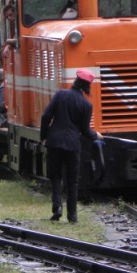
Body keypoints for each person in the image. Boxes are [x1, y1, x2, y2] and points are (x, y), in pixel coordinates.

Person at [39, 69, 102, 223]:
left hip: (54, 142)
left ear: (75, 81)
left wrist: (44, 136)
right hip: (73, 145)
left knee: (55, 177)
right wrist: (96, 135)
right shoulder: (86, 105)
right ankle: (72, 216)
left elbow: (46, 116)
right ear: (88, 86)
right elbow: (85, 130)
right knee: (73, 180)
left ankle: (57, 208)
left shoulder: (61, 95)